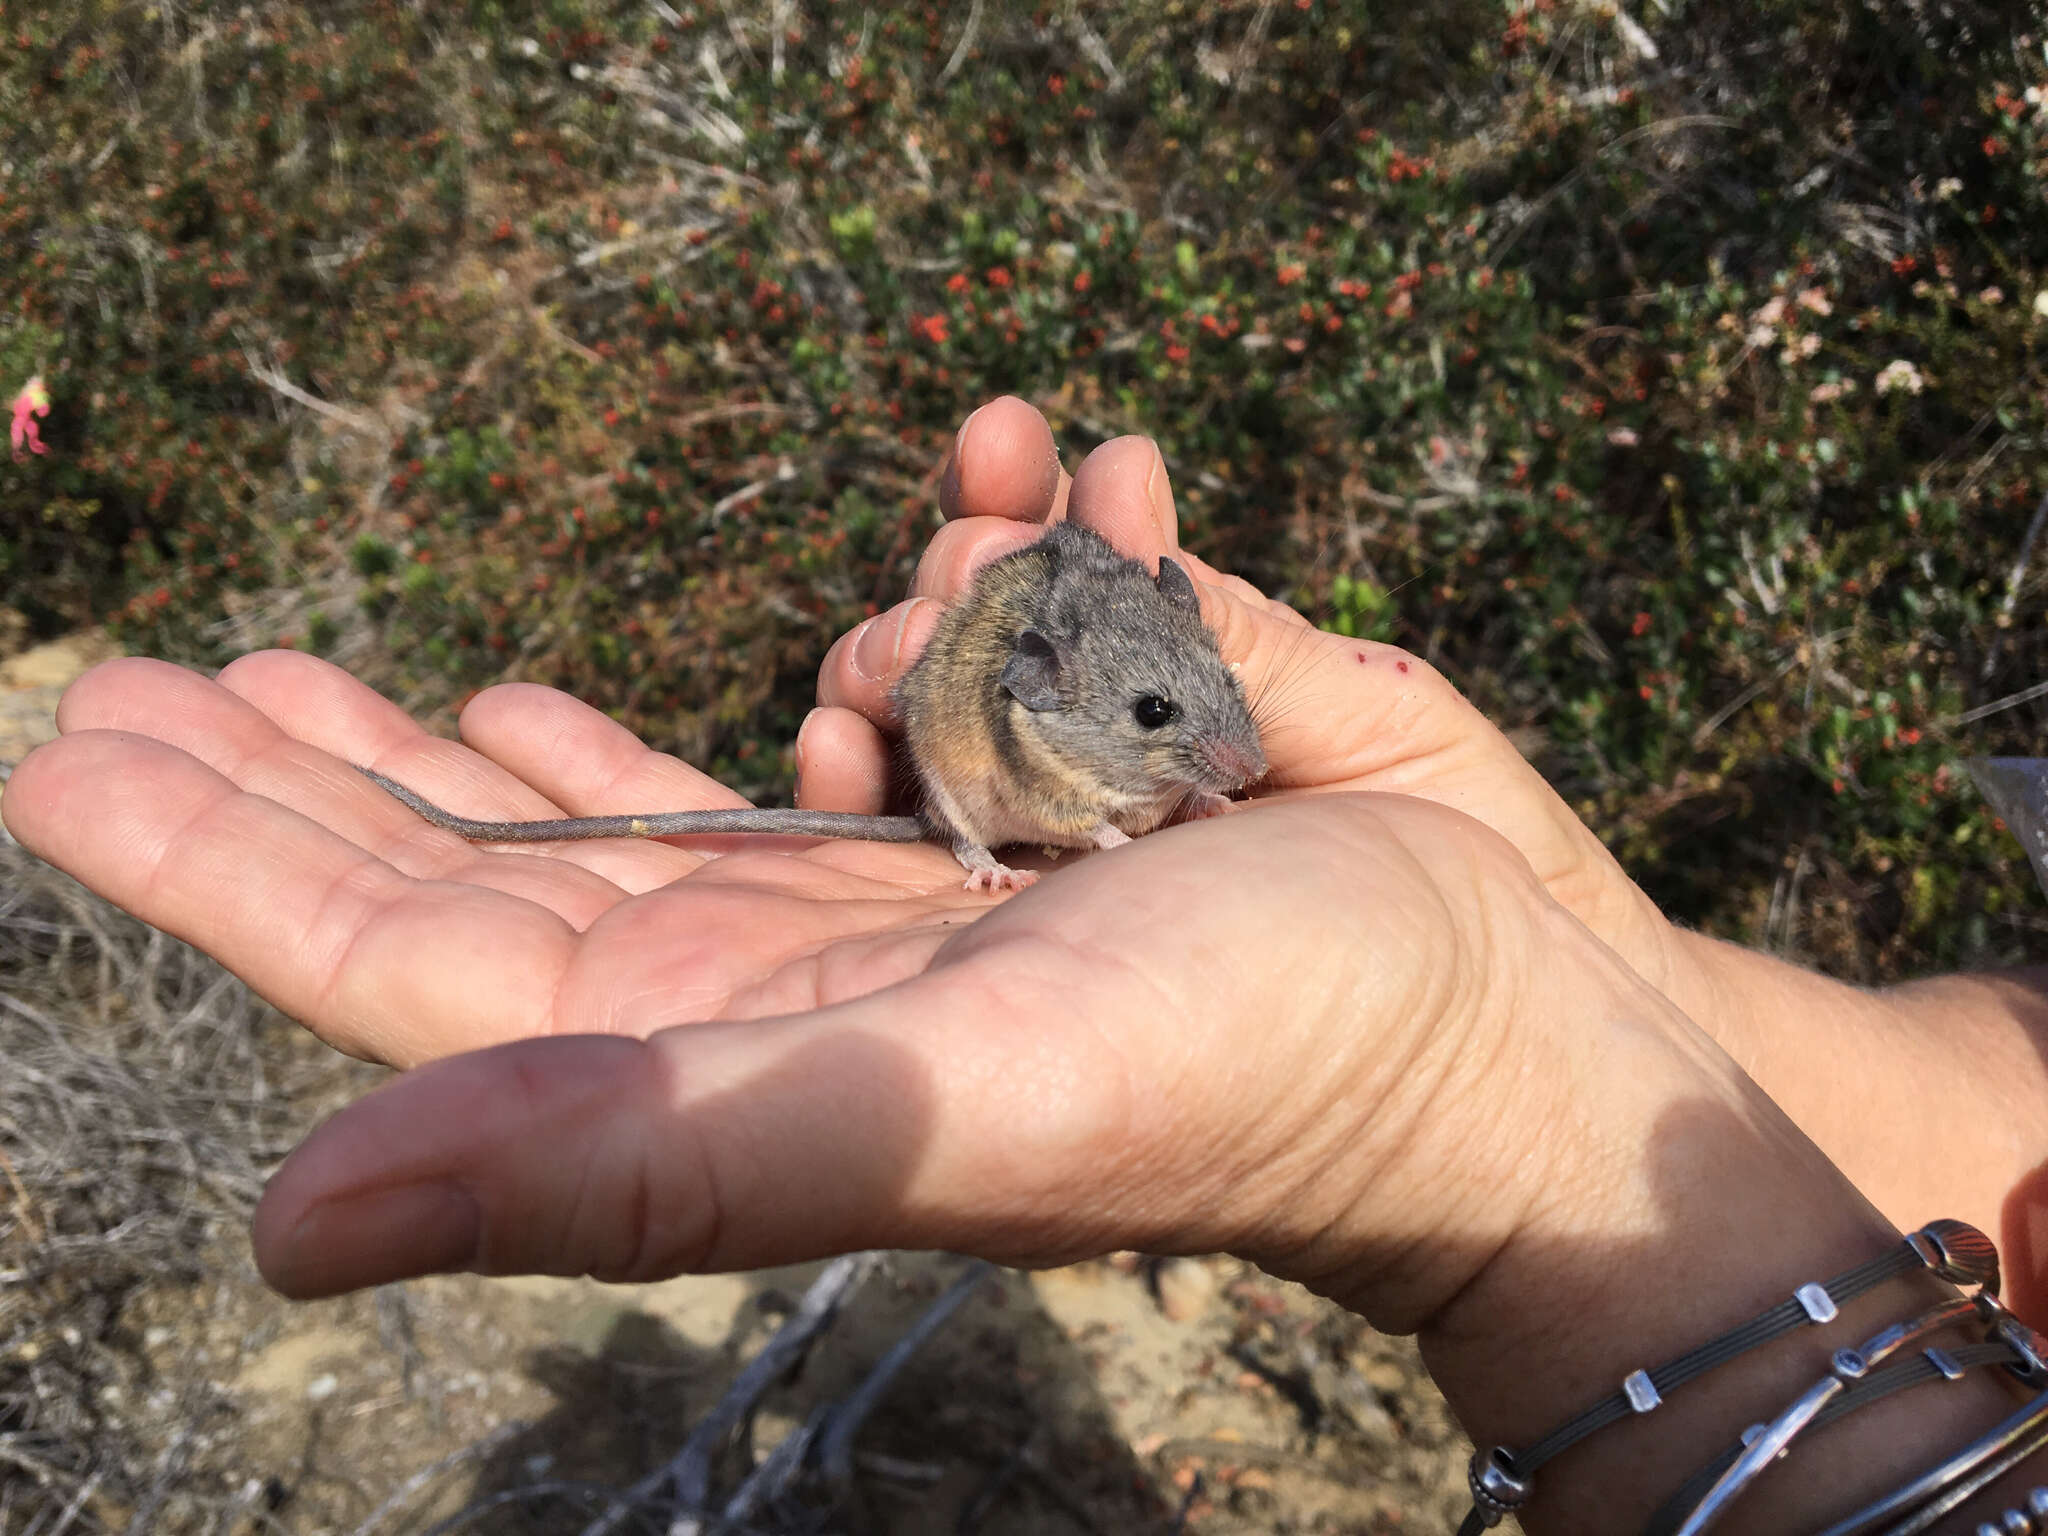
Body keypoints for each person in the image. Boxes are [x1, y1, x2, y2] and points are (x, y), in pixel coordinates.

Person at [5, 397, 2045, 1533]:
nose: (1228, 768)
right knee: (949, 766)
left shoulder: (1143, 677)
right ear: (1092, 675)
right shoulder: (1038, 679)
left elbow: (1196, 741)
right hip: (982, 806)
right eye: (1178, 734)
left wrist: (1498, 1070)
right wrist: (1578, 981)